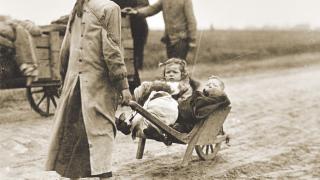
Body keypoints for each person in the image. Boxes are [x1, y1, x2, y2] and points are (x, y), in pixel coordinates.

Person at [45, 0, 132, 179]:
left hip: (75, 84)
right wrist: (123, 86)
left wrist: (65, 79)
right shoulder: (110, 8)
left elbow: (65, 49)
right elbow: (112, 50)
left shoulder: (79, 6)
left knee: (77, 134)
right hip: (97, 84)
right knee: (101, 132)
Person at [116, 58, 199, 142]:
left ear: (182, 74)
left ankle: (157, 131)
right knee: (144, 108)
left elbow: (185, 104)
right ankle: (126, 124)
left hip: (176, 114)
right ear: (164, 74)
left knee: (157, 112)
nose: (171, 75)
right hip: (159, 111)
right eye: (168, 72)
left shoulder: (184, 87)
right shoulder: (163, 85)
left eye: (175, 72)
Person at [123, 0, 197, 60]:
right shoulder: (164, 1)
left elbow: (191, 21)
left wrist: (192, 40)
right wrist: (136, 12)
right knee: (172, 66)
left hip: (181, 39)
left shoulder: (186, 1)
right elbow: (152, 9)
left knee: (177, 66)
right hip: (169, 39)